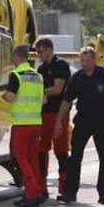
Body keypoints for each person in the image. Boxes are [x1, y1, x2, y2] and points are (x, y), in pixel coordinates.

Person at [56, 45, 104, 206]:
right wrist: (59, 122)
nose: (85, 63)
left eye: (88, 60)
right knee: (75, 157)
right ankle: (70, 192)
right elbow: (66, 101)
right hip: (83, 121)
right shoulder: (77, 78)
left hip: (103, 121)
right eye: (82, 60)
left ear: (94, 60)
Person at [0, 44, 47, 207]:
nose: (12, 60)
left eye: (13, 58)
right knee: (33, 160)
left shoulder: (16, 75)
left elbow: (11, 97)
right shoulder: (38, 76)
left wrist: (4, 96)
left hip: (21, 124)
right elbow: (44, 100)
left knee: (20, 159)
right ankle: (36, 192)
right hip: (36, 123)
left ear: (17, 58)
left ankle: (32, 192)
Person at [33, 36, 72, 195]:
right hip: (44, 113)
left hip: (59, 113)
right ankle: (42, 186)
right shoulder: (41, 69)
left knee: (61, 151)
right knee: (41, 151)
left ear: (48, 49)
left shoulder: (60, 65)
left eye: (40, 51)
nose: (38, 54)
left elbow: (58, 89)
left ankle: (65, 187)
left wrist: (39, 92)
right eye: (37, 52)